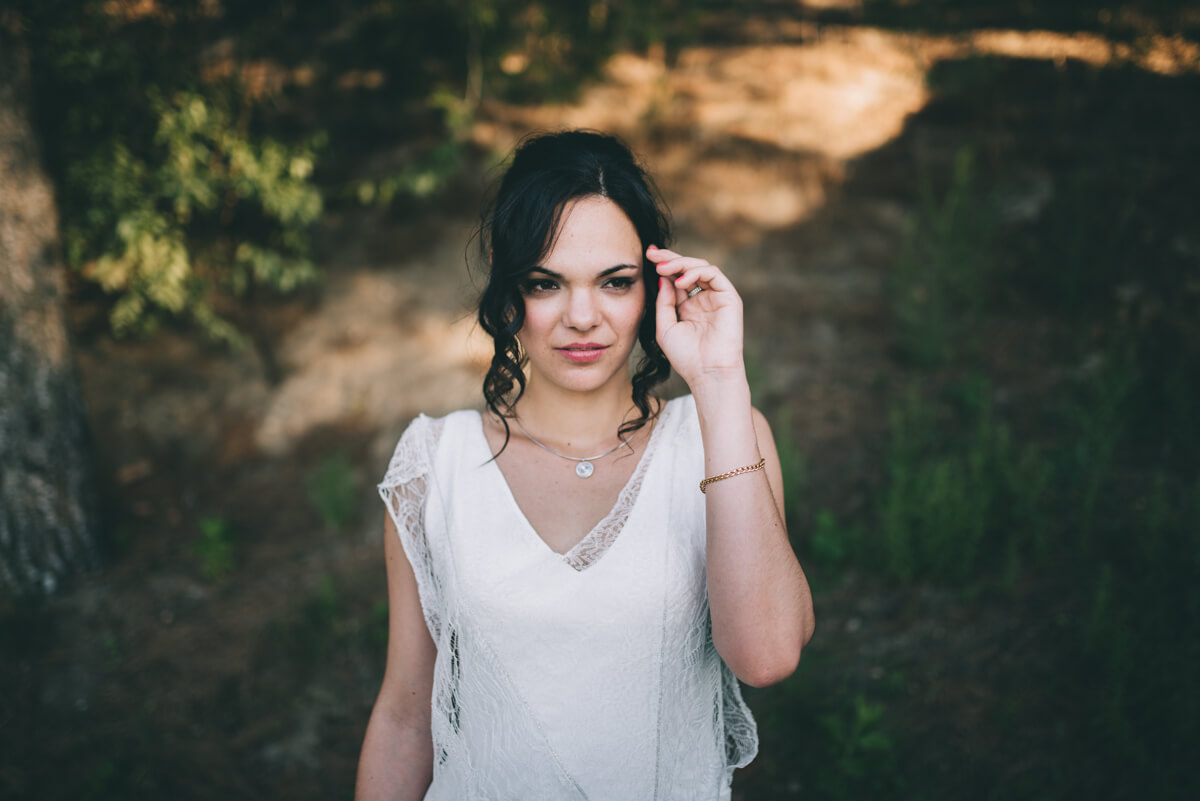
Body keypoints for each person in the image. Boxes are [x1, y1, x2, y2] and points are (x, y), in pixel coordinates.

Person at [355, 130, 814, 801]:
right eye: (546, 282)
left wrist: (719, 381)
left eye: (615, 281)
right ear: (505, 276)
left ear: (654, 282)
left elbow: (767, 654)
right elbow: (404, 715)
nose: (581, 317)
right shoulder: (435, 465)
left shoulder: (723, 437)